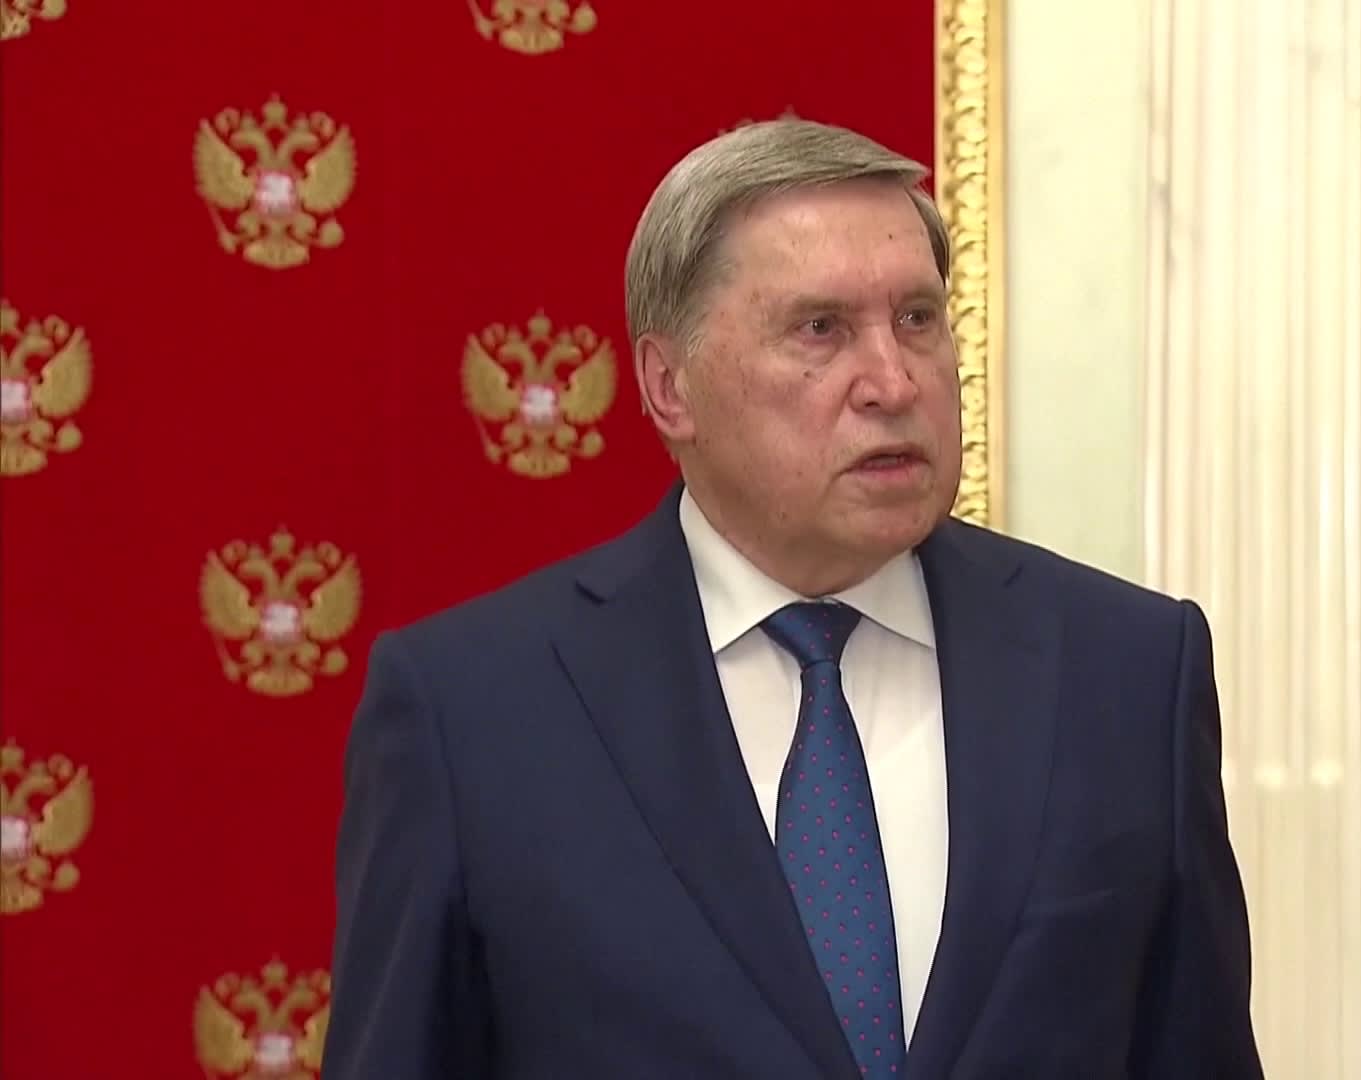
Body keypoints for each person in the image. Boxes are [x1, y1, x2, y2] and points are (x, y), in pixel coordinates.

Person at [323, 117, 1262, 1078]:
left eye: (918, 319)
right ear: (669, 386)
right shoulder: (472, 712)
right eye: (821, 330)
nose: (893, 381)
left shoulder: (1127, 672)